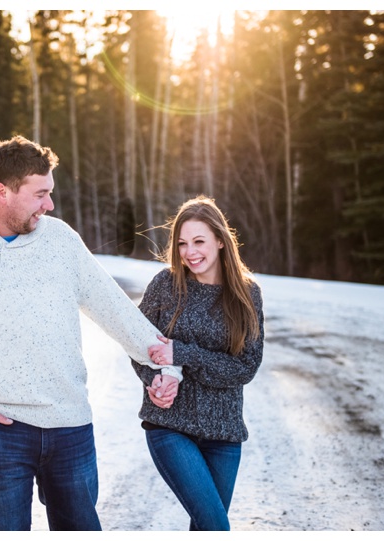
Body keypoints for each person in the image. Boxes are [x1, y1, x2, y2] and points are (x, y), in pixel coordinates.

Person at [0, 135, 182, 531]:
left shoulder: (61, 240)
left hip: (70, 427)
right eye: (40, 194)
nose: (49, 205)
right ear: (2, 192)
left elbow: (113, 306)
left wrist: (162, 359)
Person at [134, 195, 264, 531]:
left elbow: (245, 368)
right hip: (170, 427)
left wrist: (183, 354)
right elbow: (139, 344)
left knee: (206, 529)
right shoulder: (165, 285)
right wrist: (154, 380)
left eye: (199, 241)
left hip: (224, 435)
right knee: (216, 529)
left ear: (221, 240)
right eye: (182, 243)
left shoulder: (248, 294)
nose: (190, 252)